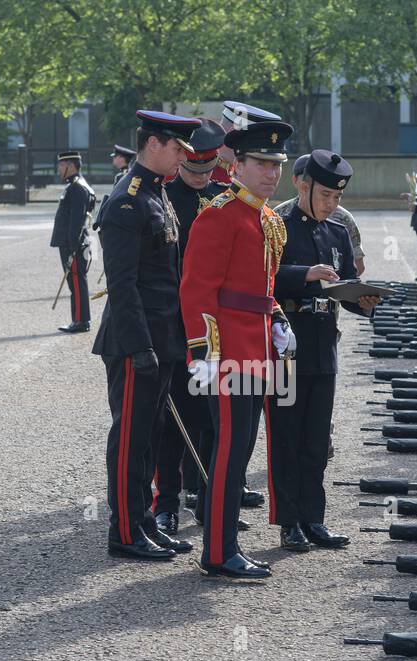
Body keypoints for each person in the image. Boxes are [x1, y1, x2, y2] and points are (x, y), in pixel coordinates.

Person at [180, 119, 296, 579]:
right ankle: (217, 551)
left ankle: (225, 543)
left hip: (256, 348)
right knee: (229, 449)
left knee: (242, 446)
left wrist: (279, 321)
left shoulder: (266, 218)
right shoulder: (218, 215)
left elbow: (264, 288)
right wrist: (203, 355)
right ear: (238, 166)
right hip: (226, 351)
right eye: (262, 164)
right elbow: (196, 291)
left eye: (276, 165)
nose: (271, 174)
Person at [93, 110, 200, 560]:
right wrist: (140, 346)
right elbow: (122, 285)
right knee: (131, 439)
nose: (182, 158)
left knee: (152, 438)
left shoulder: (157, 194)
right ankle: (124, 532)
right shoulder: (127, 200)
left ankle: (142, 521)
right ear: (153, 144)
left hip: (162, 339)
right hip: (136, 342)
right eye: (177, 149)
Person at [271, 150, 378, 551]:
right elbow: (263, 278)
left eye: (337, 197)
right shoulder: (278, 227)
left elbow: (345, 283)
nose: (332, 204)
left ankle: (314, 517)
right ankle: (288, 521)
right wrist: (305, 274)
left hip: (323, 342)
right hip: (287, 344)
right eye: (326, 196)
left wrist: (361, 301)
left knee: (317, 438)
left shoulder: (337, 231)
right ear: (302, 185)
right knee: (287, 435)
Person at [155, 118, 230, 536]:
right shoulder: (165, 199)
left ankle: (209, 500)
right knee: (173, 422)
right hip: (177, 328)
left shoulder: (224, 198)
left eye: (207, 170)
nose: (201, 178)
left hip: (218, 330)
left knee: (212, 421)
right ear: (181, 160)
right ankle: (166, 503)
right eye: (193, 169)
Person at [51, 151, 96, 333]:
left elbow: (76, 221)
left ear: (71, 166)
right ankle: (79, 319)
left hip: (74, 244)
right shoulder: (75, 185)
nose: (59, 169)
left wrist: (72, 247)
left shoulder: (77, 187)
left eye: (62, 165)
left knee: (77, 282)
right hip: (74, 242)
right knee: (75, 282)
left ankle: (81, 321)